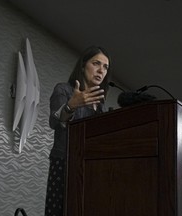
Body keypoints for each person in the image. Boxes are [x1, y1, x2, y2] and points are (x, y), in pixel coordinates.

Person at [45, 46, 111, 216]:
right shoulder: (64, 90)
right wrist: (70, 106)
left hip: (91, 168)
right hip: (65, 163)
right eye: (96, 63)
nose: (101, 70)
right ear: (83, 66)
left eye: (105, 67)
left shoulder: (100, 105)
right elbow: (55, 121)